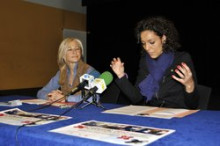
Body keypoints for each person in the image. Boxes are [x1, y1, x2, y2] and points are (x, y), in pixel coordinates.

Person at [110, 16, 199, 109]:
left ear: (163, 38)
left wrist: (189, 85)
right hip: (151, 112)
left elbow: (193, 105)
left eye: (151, 42)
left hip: (176, 113)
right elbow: (137, 99)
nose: (147, 48)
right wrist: (121, 75)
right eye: (143, 43)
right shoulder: (145, 61)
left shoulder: (181, 59)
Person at [37, 37, 100, 102]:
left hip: (86, 110)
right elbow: (41, 92)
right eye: (70, 49)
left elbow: (94, 97)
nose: (74, 52)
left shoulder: (90, 71)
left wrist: (66, 98)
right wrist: (50, 96)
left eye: (77, 49)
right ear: (63, 54)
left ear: (81, 52)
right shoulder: (61, 73)